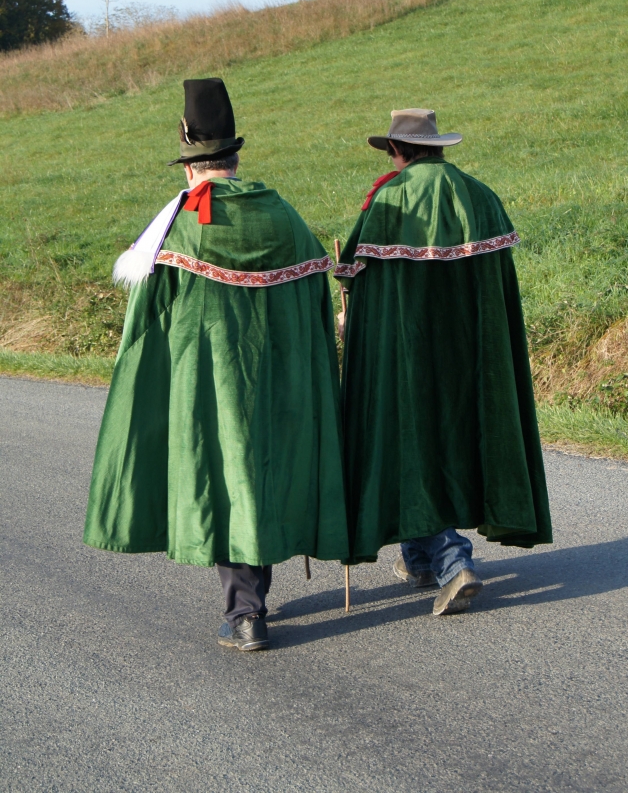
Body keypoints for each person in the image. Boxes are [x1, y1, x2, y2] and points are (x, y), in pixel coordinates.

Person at [84, 78, 348, 651]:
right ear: (234, 157)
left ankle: (246, 612)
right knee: (262, 471)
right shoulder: (282, 213)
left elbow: (149, 317)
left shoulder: (180, 224)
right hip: (280, 378)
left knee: (227, 479)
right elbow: (314, 295)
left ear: (190, 166)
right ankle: (250, 601)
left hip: (210, 379)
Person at [335, 108, 552, 616]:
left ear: (397, 150)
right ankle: (419, 558)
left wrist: (354, 319)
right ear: (438, 147)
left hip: (408, 352)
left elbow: (358, 278)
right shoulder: (480, 195)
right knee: (447, 442)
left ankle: (453, 561)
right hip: (473, 354)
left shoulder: (390, 197)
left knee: (409, 444)